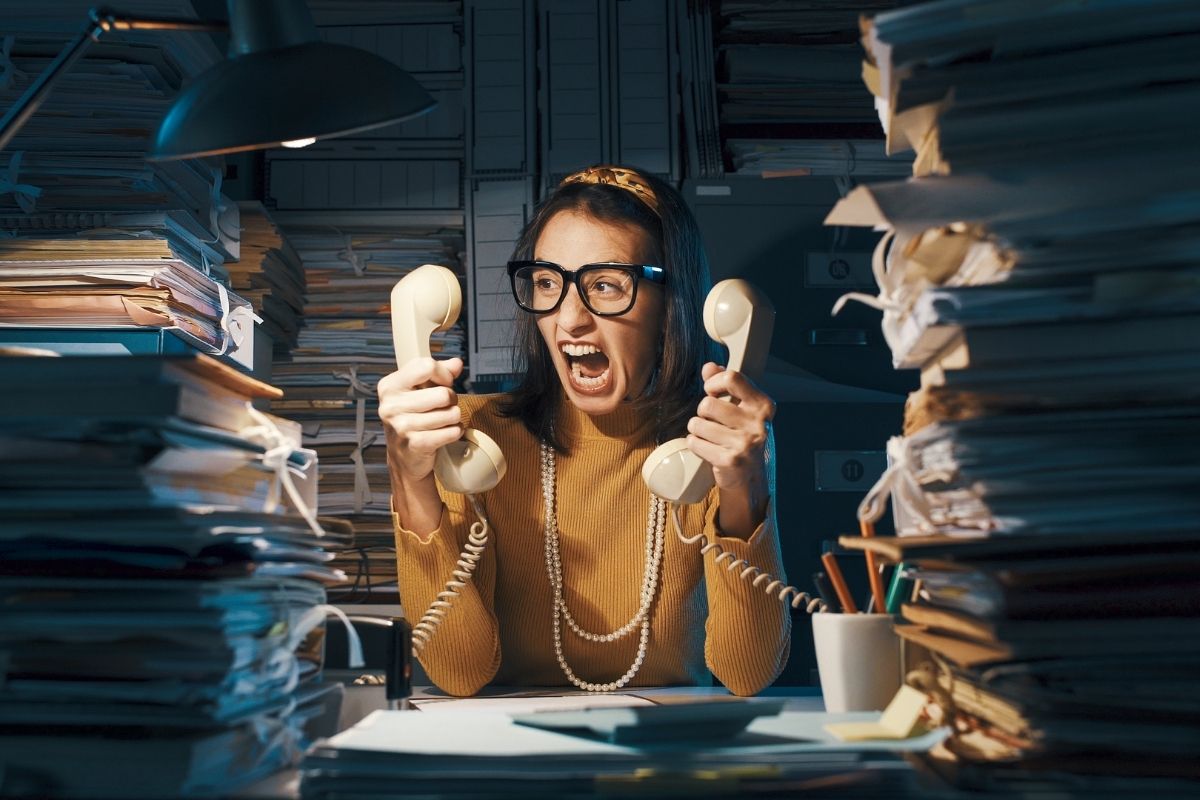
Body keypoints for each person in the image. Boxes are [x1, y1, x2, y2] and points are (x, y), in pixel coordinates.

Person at [378, 165, 790, 696]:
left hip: (668, 756)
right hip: (511, 752)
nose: (570, 319)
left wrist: (744, 488)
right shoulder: (470, 438)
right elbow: (459, 673)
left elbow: (748, 673)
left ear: (672, 302)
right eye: (548, 282)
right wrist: (410, 483)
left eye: (605, 285)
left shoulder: (717, 441)